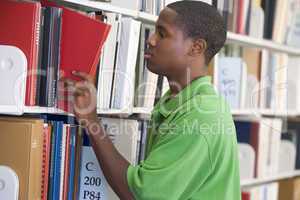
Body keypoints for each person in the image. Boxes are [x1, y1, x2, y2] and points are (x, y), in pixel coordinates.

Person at [63, 1, 241, 199]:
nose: (151, 40)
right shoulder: (177, 101)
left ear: (196, 47)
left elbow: (142, 194)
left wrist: (91, 121)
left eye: (162, 34)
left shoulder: (201, 114)